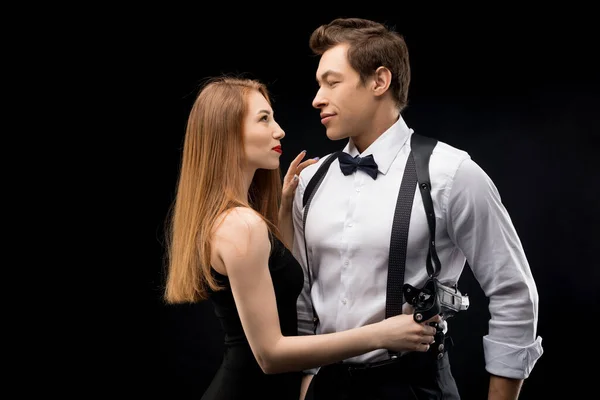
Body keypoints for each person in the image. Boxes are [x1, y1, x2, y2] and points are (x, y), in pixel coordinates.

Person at [291, 18, 544, 400]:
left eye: (332, 82)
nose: (317, 98)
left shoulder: (452, 173)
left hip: (414, 387)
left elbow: (514, 292)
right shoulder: (311, 183)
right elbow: (305, 296)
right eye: (318, 84)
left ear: (379, 81)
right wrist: (309, 381)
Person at [163, 75, 442, 400]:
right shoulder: (241, 224)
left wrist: (284, 209)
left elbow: (275, 279)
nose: (279, 130)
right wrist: (382, 333)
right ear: (227, 133)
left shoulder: (234, 219)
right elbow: (271, 355)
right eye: (264, 119)